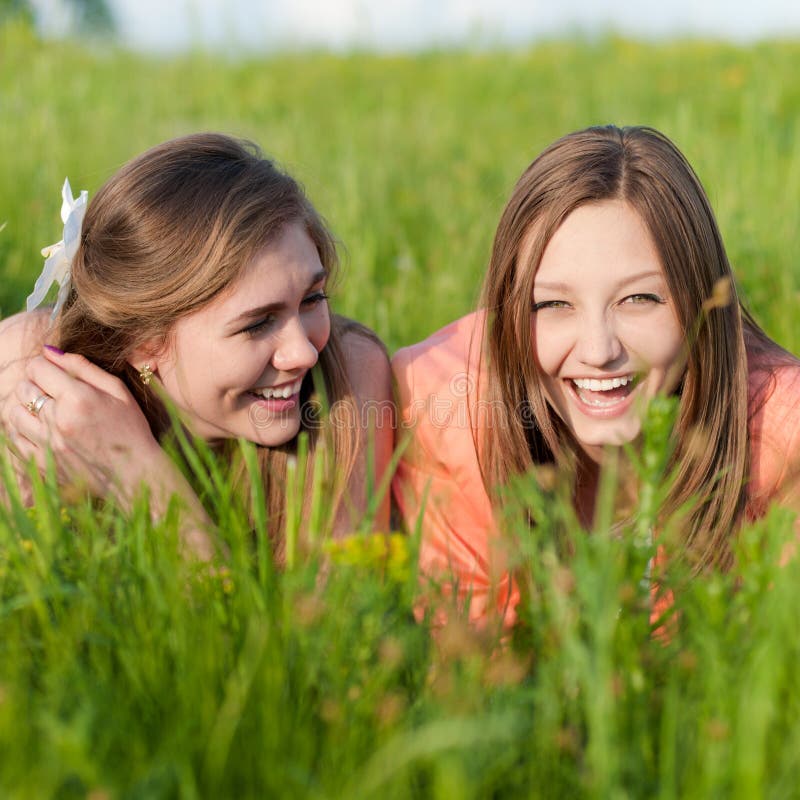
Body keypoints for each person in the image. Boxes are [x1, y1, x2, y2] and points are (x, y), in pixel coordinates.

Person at [391, 124, 800, 628]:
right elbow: (469, 669)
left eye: (639, 299)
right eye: (554, 304)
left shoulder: (784, 438)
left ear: (699, 301)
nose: (598, 350)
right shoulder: (445, 410)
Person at [0, 133, 393, 559]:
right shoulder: (25, 369)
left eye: (313, 299)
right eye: (258, 323)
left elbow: (327, 621)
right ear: (144, 342)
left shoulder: (347, 374)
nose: (304, 353)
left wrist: (141, 477)